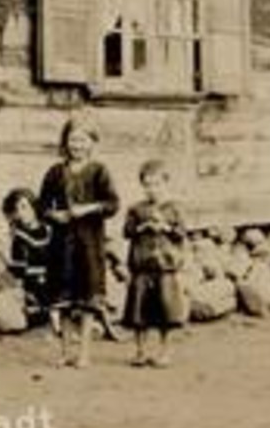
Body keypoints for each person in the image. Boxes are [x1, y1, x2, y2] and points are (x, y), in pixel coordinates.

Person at [39, 116, 120, 368]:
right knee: (63, 302)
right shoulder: (55, 172)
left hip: (88, 246)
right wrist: (55, 215)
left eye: (83, 140)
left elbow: (112, 204)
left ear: (92, 143)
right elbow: (41, 205)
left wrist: (87, 209)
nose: (77, 145)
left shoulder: (99, 171)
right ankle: (64, 352)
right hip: (62, 247)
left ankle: (84, 353)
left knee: (86, 301)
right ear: (65, 142)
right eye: (72, 139)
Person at [120, 159, 188, 368]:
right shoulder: (136, 209)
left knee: (164, 311)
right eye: (147, 184)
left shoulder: (174, 208)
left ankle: (164, 352)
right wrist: (142, 227)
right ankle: (140, 351)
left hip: (165, 268)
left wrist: (165, 227)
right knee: (139, 311)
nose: (152, 189)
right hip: (142, 267)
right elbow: (126, 232)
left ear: (166, 184)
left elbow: (182, 233)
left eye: (157, 184)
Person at [2, 187, 57, 331]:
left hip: (54, 277)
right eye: (17, 209)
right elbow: (20, 270)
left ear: (34, 206)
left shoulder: (49, 230)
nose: (21, 213)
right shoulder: (19, 238)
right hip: (33, 284)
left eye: (24, 207)